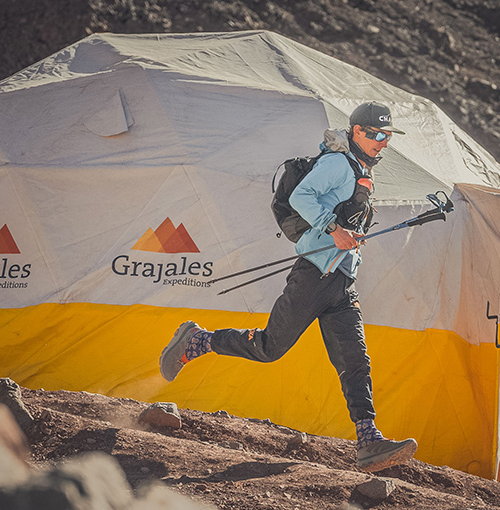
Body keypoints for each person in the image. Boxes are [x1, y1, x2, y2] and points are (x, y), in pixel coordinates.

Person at [158, 102, 417, 473]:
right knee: (269, 348)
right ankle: (197, 341)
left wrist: (347, 236)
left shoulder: (361, 170)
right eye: (376, 134)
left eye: (387, 136)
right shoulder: (338, 164)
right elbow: (301, 197)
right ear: (357, 131)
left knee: (355, 360)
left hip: (341, 282)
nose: (382, 142)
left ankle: (369, 440)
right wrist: (333, 229)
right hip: (313, 274)